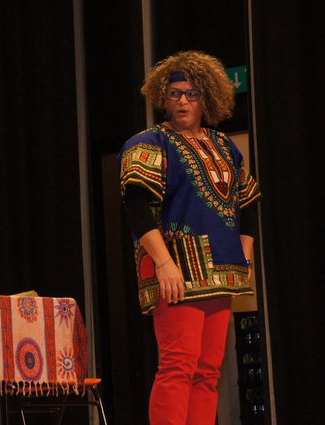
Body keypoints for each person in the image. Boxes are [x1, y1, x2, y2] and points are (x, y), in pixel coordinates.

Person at [118, 50, 261, 425]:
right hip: (177, 269)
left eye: (192, 94)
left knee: (208, 371)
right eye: (175, 94)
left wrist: (244, 256)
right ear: (163, 98)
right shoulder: (150, 142)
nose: (182, 101)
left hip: (223, 271)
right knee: (177, 365)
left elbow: (247, 203)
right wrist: (163, 263)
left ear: (206, 98)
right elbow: (136, 204)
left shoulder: (224, 146)